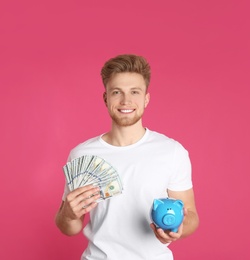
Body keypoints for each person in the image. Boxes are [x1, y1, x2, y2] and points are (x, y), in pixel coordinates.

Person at [55, 54, 199, 260]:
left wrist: (178, 228)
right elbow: (70, 227)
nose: (126, 101)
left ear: (146, 99)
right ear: (106, 98)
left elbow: (191, 216)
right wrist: (68, 214)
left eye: (135, 92)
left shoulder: (172, 151)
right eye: (116, 92)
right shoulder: (82, 155)